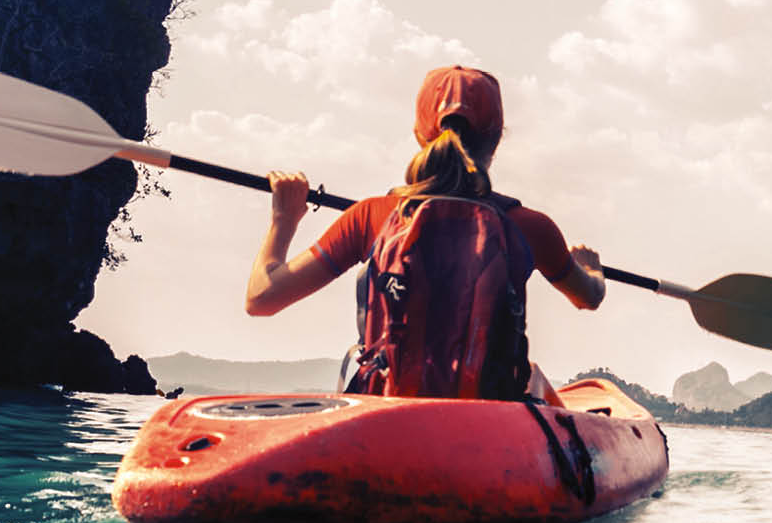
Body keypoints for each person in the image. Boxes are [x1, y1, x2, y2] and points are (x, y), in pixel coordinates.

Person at [245, 65, 605, 398]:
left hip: (387, 412)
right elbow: (588, 296)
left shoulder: (372, 216)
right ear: (496, 139)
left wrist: (284, 220)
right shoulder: (529, 226)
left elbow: (263, 299)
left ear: (420, 134)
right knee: (535, 382)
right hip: (489, 416)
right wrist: (589, 269)